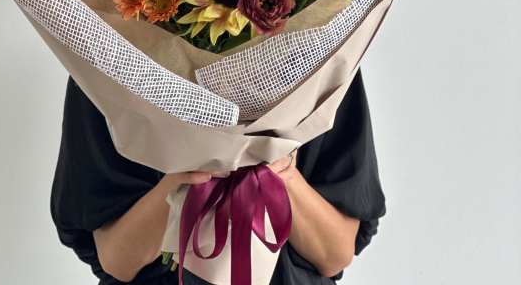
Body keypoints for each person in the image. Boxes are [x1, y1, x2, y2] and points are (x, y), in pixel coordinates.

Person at [51, 69, 385, 284]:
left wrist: (279, 169)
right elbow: (117, 260)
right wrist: (181, 179)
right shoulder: (109, 64)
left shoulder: (326, 69)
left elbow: (334, 255)